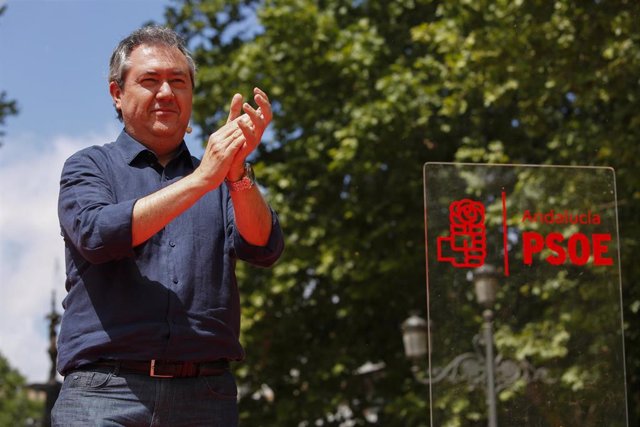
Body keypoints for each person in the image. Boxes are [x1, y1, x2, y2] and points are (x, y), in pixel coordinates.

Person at [51, 25, 284, 426]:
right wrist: (202, 180)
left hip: (206, 395)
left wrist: (237, 173)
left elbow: (263, 246)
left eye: (178, 82)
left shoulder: (222, 177)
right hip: (104, 392)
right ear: (117, 95)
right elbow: (96, 235)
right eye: (149, 80)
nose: (165, 93)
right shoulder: (89, 166)